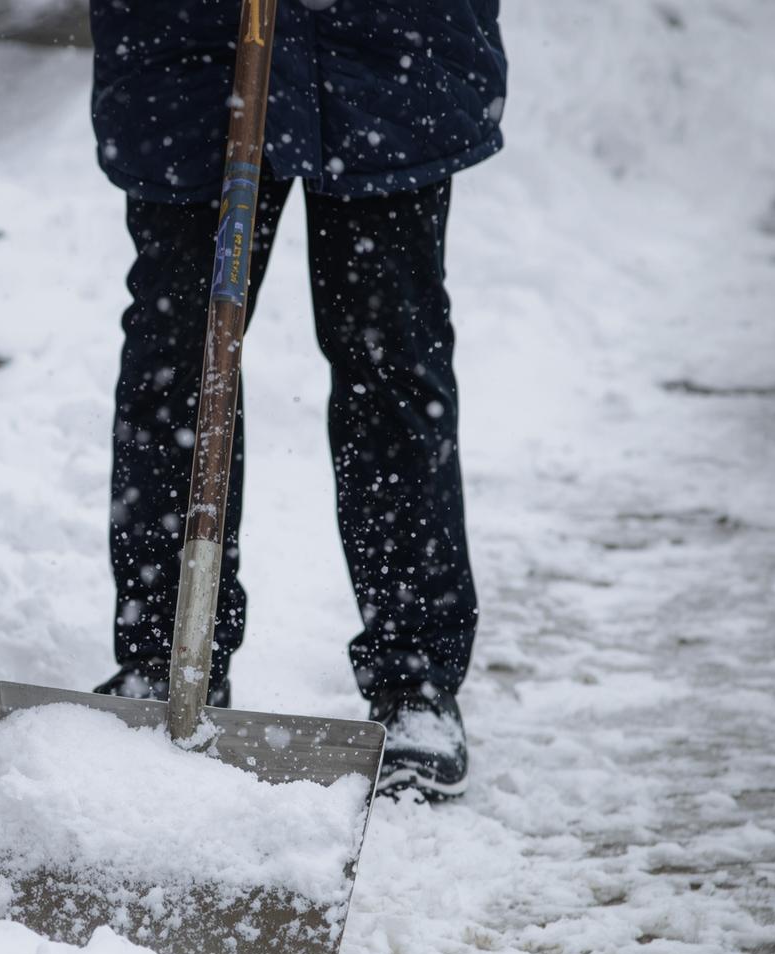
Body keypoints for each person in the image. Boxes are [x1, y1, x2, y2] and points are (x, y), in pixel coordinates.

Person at [90, 0, 507, 801]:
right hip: (192, 45)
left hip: (384, 46)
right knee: (176, 364)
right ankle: (168, 659)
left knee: (392, 362)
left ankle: (415, 679)